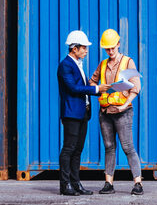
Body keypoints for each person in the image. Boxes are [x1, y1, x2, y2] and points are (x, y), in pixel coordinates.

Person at [89, 28, 144, 196]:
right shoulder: (103, 64)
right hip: (105, 113)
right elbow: (92, 82)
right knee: (109, 147)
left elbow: (136, 87)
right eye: (107, 48)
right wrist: (98, 88)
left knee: (128, 147)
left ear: (119, 44)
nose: (110, 51)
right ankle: (108, 183)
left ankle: (138, 184)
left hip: (123, 112)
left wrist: (124, 104)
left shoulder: (128, 62)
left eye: (113, 47)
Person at [57, 30, 109, 196]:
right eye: (84, 48)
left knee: (77, 150)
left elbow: (86, 86)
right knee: (68, 149)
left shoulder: (78, 64)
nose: (86, 51)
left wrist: (105, 90)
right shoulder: (65, 65)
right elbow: (73, 88)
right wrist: (96, 88)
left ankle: (76, 184)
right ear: (74, 49)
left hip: (82, 114)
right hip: (72, 114)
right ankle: (65, 186)